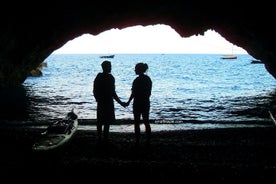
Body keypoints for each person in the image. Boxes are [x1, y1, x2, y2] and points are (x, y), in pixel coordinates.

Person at [93, 60, 125, 142]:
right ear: (105, 67)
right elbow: (113, 92)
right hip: (108, 101)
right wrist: (120, 102)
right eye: (109, 66)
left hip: (101, 101)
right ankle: (105, 137)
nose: (110, 68)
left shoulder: (99, 76)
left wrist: (97, 99)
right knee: (106, 121)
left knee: (100, 120)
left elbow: (95, 90)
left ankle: (100, 136)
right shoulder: (110, 78)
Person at [126, 62, 152, 145]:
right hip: (145, 102)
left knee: (137, 122)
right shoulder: (148, 79)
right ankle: (148, 140)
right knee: (146, 121)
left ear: (139, 70)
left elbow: (133, 93)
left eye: (136, 69)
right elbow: (148, 93)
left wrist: (128, 102)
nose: (135, 70)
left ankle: (137, 140)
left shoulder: (137, 80)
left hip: (137, 102)